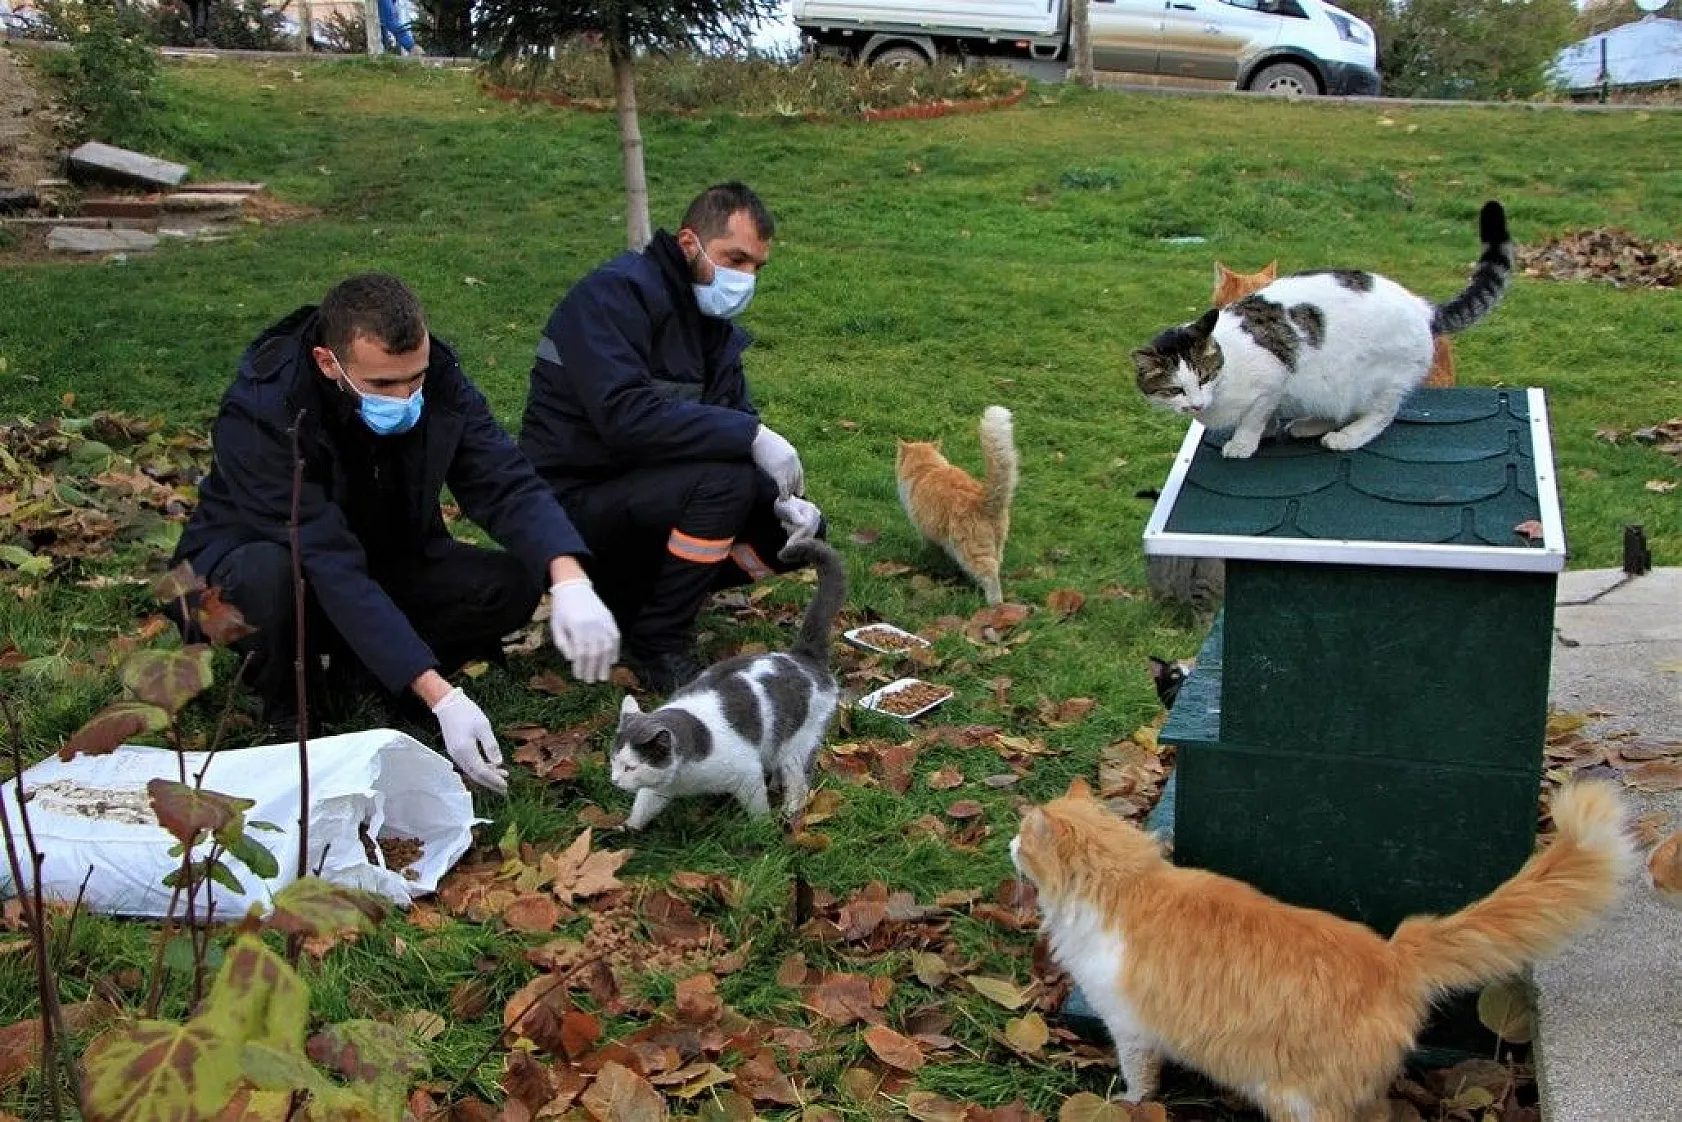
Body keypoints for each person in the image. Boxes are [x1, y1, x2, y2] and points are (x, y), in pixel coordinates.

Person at [171, 274, 620, 794]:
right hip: (251, 568)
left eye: (416, 378)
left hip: (383, 552)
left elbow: (502, 479)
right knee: (267, 579)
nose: (406, 396)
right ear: (327, 363)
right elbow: (325, 559)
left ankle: (369, 676)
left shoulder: (439, 379)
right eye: (384, 384)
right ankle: (290, 709)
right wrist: (442, 695)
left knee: (511, 583)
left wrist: (568, 578)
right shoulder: (263, 411)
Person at [518, 183, 825, 694]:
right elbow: (625, 416)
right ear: (689, 243)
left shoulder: (711, 326)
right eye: (735, 258)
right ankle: (658, 639)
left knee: (790, 532)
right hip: (572, 503)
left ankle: (638, 601)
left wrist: (783, 499)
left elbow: (729, 424)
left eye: (756, 267)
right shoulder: (615, 295)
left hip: (646, 493)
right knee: (722, 484)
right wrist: (752, 433)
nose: (745, 278)